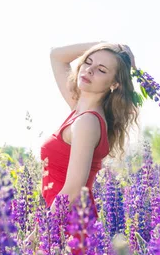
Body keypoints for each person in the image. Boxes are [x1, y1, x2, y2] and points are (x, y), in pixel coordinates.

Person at [27, 41, 139, 244]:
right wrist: (108, 45)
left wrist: (38, 237)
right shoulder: (79, 109)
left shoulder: (87, 122)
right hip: (60, 222)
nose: (89, 70)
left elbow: (73, 189)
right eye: (88, 61)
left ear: (114, 84)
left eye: (101, 70)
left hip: (67, 228)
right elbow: (57, 55)